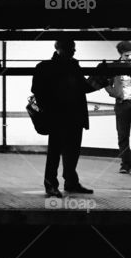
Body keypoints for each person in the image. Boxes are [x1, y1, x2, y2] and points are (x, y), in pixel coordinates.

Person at [31, 39, 102, 197]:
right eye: (71, 48)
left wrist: (48, 109)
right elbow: (84, 88)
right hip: (73, 115)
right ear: (61, 49)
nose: (74, 51)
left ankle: (53, 185)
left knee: (57, 152)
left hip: (58, 116)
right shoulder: (72, 66)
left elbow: (37, 90)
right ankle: (69, 182)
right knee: (69, 151)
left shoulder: (45, 67)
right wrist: (99, 79)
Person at [100, 40, 131, 174]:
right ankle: (126, 164)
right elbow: (106, 83)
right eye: (126, 55)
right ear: (120, 54)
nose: (129, 57)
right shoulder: (114, 67)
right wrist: (114, 93)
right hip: (122, 104)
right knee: (122, 136)